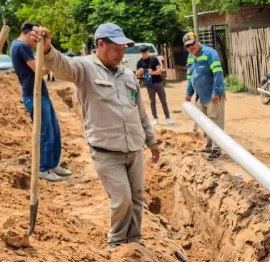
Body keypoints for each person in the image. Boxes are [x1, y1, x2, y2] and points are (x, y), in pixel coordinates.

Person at [30, 23, 161, 248]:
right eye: (117, 49)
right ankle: (118, 242)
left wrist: (152, 141)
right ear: (101, 44)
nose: (121, 54)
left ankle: (135, 241)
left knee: (138, 198)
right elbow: (63, 67)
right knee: (122, 200)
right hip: (107, 152)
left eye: (123, 49)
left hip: (134, 149)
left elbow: (140, 111)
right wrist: (48, 50)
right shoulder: (85, 69)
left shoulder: (128, 75)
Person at [10, 21, 70, 182]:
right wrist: (52, 63)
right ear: (31, 34)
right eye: (36, 39)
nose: (37, 43)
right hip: (33, 95)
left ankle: (53, 165)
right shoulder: (21, 47)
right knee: (46, 133)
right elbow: (40, 70)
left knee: (54, 131)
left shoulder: (20, 46)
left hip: (41, 94)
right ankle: (43, 169)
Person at [183, 32, 225, 161]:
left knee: (215, 123)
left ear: (198, 41)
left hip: (213, 96)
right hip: (201, 97)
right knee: (205, 123)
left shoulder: (209, 53)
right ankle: (208, 146)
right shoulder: (191, 57)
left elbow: (218, 73)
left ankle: (217, 149)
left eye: (193, 44)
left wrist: (216, 92)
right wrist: (188, 93)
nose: (191, 47)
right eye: (188, 46)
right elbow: (190, 76)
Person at [135, 46, 172, 126]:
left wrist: (151, 72)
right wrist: (140, 72)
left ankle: (168, 117)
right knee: (152, 102)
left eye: (145, 53)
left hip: (158, 83)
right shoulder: (140, 62)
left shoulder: (153, 59)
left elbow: (159, 71)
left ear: (148, 52)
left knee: (163, 101)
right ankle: (155, 118)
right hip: (149, 84)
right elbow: (137, 75)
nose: (144, 55)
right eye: (142, 53)